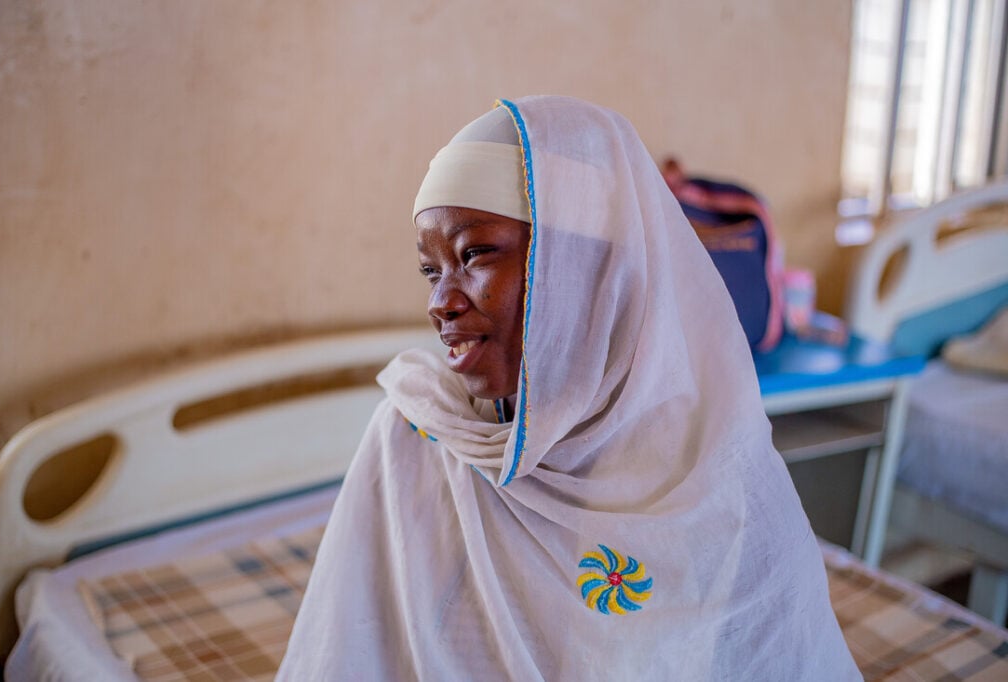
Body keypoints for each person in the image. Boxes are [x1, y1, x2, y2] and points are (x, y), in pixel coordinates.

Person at [278, 96, 860, 680]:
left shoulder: (716, 478)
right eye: (431, 271)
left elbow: (769, 649)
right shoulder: (419, 434)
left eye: (474, 253)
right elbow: (352, 644)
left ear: (584, 265)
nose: (440, 303)